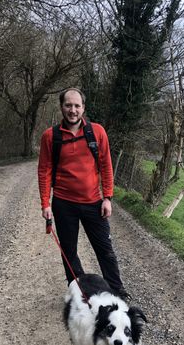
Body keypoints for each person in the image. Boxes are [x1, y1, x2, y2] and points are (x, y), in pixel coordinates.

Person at [38, 87, 129, 298]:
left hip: (93, 203)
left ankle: (117, 292)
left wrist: (107, 197)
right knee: (69, 254)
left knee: (105, 250)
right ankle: (80, 293)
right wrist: (45, 203)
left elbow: (106, 165)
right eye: (68, 105)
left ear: (83, 108)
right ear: (62, 107)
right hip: (63, 204)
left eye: (77, 106)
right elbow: (44, 171)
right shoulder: (50, 137)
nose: (73, 110)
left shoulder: (97, 132)